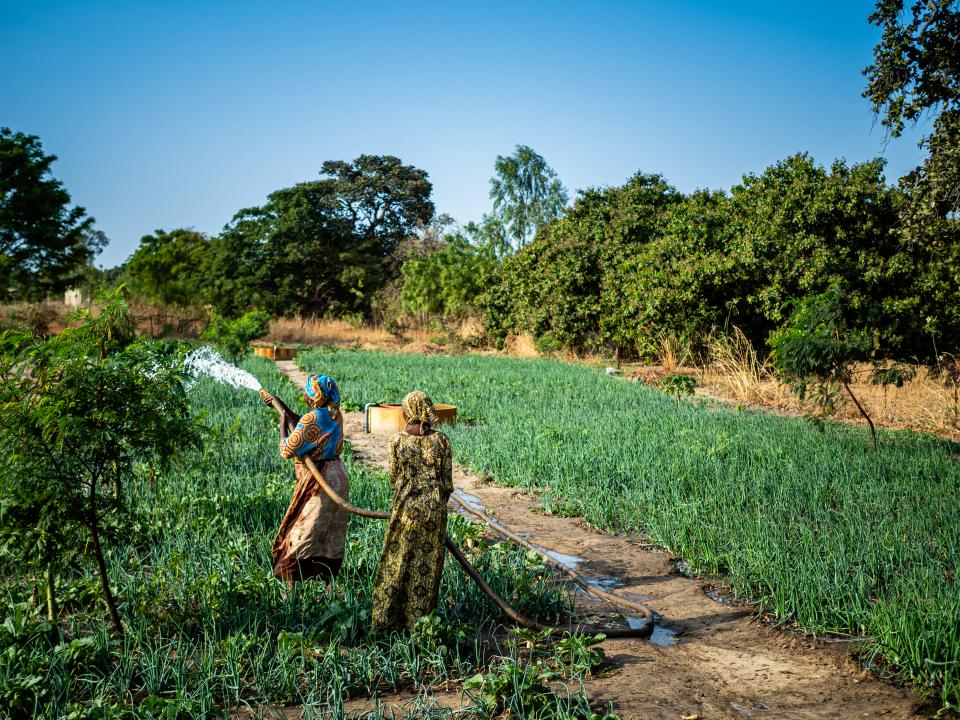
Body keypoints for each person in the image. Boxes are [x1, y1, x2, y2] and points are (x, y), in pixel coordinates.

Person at [372, 390, 453, 630]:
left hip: (406, 510)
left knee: (396, 562)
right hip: (434, 512)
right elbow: (447, 484)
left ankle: (386, 620)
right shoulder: (442, 440)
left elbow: (394, 478)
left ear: (409, 412)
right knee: (426, 567)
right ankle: (418, 624)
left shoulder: (397, 441)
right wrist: (433, 503)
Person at [259, 374, 350, 590]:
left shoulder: (311, 420)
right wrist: (280, 405)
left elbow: (286, 450)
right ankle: (329, 587)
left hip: (320, 483)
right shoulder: (334, 414)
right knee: (330, 534)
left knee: (301, 533)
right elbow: (306, 424)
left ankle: (289, 592)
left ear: (312, 396)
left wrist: (282, 424)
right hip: (338, 478)